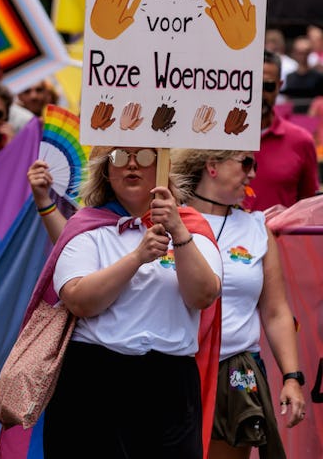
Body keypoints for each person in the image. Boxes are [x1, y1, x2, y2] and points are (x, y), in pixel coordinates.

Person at [39, 147, 222, 458]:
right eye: (120, 157)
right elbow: (79, 300)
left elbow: (203, 295)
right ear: (106, 171)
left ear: (163, 165)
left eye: (146, 156)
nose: (132, 164)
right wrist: (137, 257)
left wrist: (178, 231)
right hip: (94, 379)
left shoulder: (191, 227)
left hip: (169, 384)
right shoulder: (88, 227)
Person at [172, 148, 306, 458]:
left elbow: (275, 312)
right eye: (246, 163)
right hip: (173, 366)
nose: (253, 173)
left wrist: (292, 378)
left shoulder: (257, 229)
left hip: (234, 369)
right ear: (212, 165)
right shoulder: (166, 219)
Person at [250, 51, 318, 210]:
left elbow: (309, 206)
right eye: (252, 85)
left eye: (267, 86)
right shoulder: (220, 139)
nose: (260, 94)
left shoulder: (301, 141)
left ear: (279, 86)